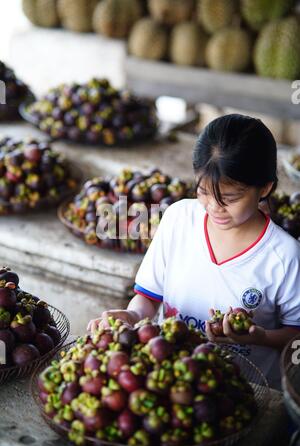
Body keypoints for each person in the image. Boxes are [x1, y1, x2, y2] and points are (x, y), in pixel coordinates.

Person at [87, 114, 300, 389]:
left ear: (265, 188)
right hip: (171, 379)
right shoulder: (178, 219)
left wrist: (258, 337)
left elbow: (295, 336)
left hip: (242, 390)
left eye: (230, 198)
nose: (214, 207)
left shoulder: (284, 256)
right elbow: (149, 297)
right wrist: (133, 316)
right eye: (203, 192)